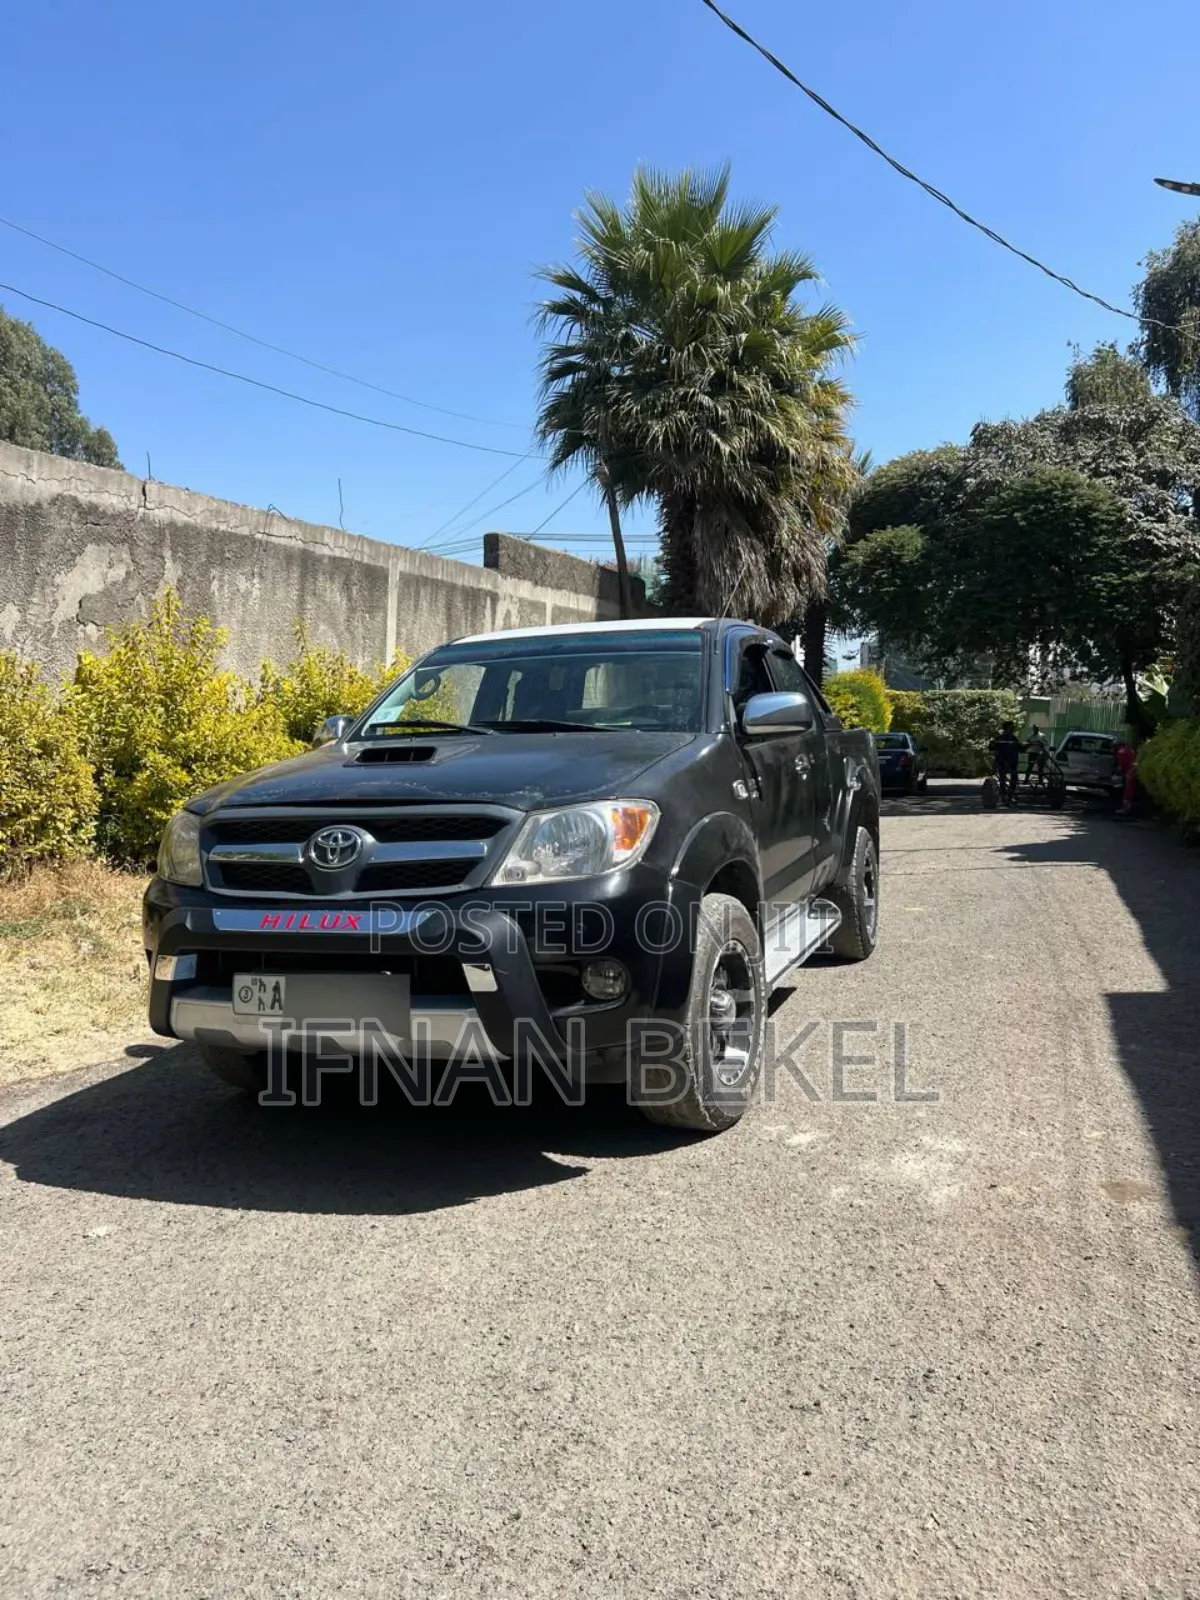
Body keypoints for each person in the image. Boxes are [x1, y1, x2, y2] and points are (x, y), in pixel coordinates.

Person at [989, 721, 1023, 805]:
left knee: (1014, 779)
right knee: (1003, 780)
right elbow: (991, 748)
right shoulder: (999, 738)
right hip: (1002, 761)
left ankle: (1010, 796)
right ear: (1007, 728)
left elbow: (1021, 748)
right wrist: (992, 744)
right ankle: (1003, 797)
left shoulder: (1014, 738)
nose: (1013, 729)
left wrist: (1028, 745)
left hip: (1012, 762)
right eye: (1011, 727)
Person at [1114, 738, 1137, 814]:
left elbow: (1120, 767)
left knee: (1127, 792)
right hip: (1134, 771)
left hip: (1128, 773)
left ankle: (1125, 809)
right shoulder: (1131, 751)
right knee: (1131, 791)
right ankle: (1129, 807)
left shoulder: (1120, 752)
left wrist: (1116, 773)